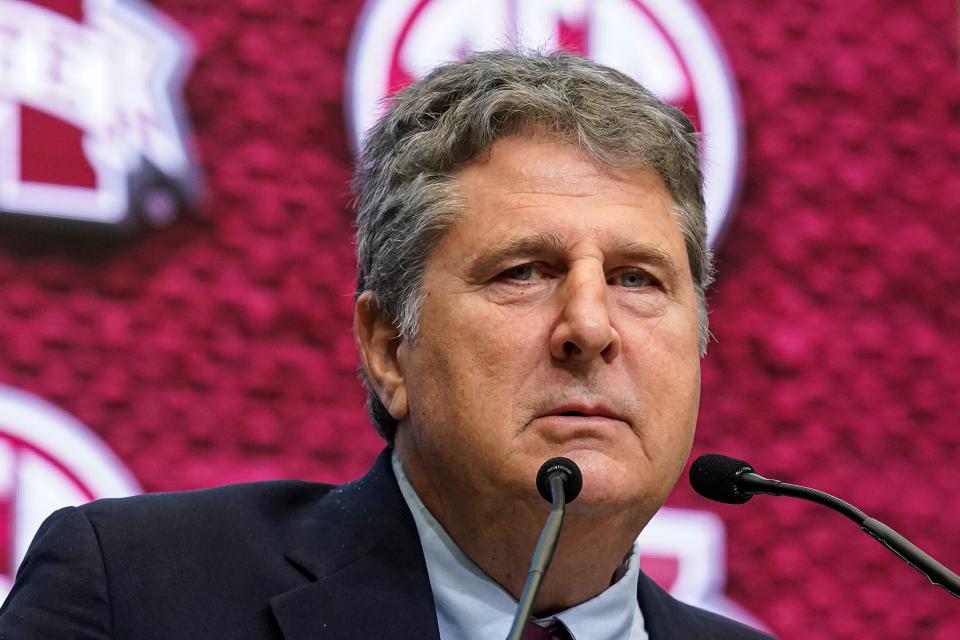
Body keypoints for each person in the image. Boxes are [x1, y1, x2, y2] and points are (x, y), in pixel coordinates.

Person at [0, 51, 773, 639]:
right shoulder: (136, 594)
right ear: (386, 347)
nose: (590, 326)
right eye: (524, 271)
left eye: (637, 279)